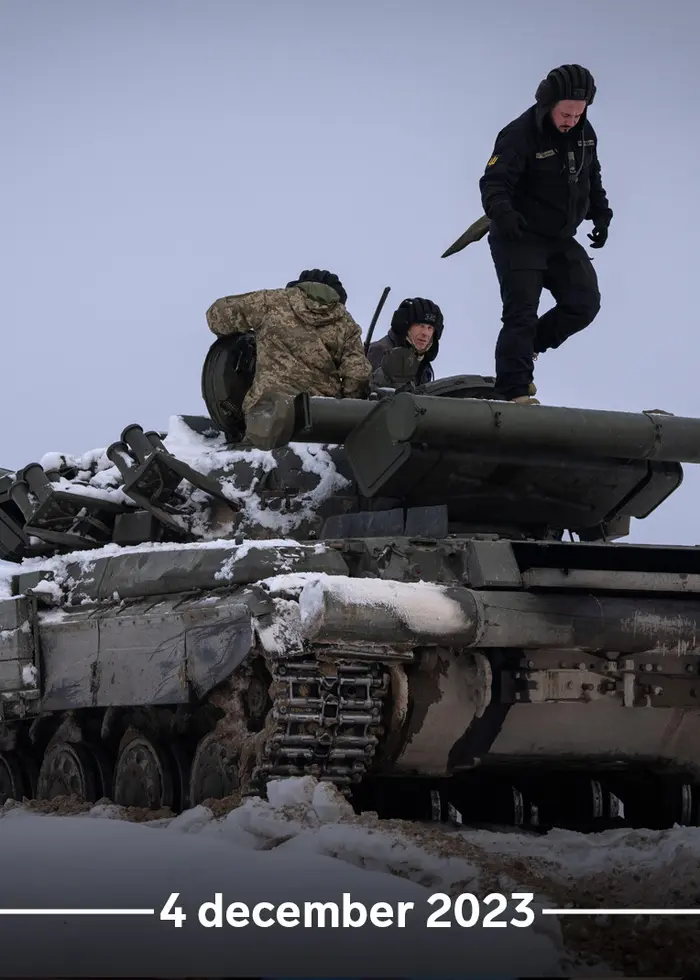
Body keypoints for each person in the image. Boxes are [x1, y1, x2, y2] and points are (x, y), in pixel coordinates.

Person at [479, 64, 613, 405]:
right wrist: (503, 213)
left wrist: (600, 212)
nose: (571, 119)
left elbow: (591, 174)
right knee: (520, 313)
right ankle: (513, 391)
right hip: (519, 236)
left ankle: (526, 349)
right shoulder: (519, 133)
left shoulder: (585, 132)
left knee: (584, 303)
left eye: (578, 113)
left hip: (559, 238)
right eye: (565, 113)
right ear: (548, 104)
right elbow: (494, 182)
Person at [205, 269, 372, 425]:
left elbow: (216, 316)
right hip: (320, 419)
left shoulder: (270, 302)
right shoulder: (346, 323)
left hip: (266, 416)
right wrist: (346, 406)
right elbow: (358, 375)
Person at [367, 297, 443, 386]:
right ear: (405, 327)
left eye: (430, 328)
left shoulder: (422, 362)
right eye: (420, 325)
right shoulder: (380, 351)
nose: (425, 333)